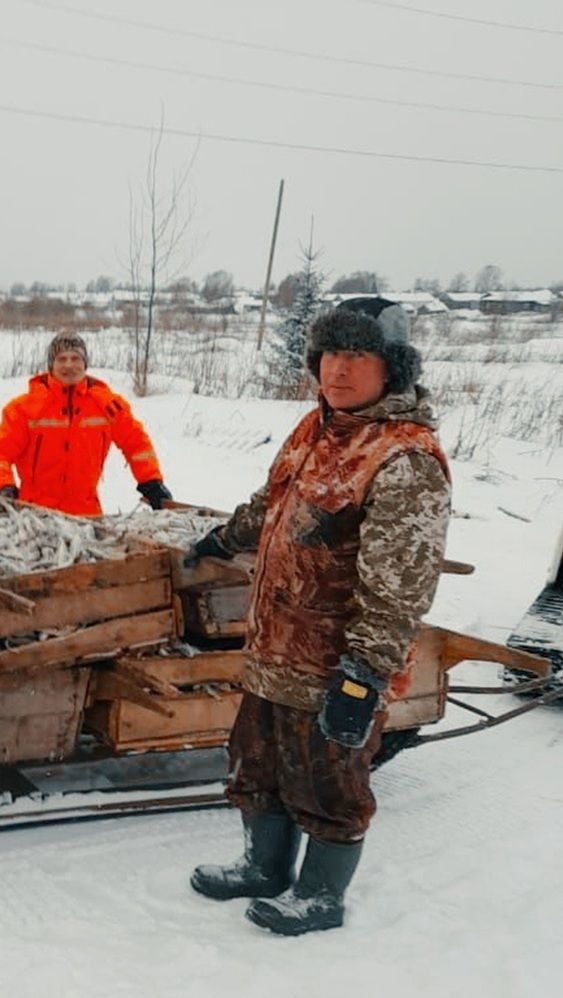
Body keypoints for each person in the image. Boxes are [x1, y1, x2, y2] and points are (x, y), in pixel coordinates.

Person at [185, 297, 451, 936]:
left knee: (330, 783)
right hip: (272, 649)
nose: (339, 368)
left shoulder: (403, 458)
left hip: (334, 663)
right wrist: (225, 537)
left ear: (393, 366)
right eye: (331, 352)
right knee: (257, 764)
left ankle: (320, 897)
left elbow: (398, 588)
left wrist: (362, 675)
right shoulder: (315, 427)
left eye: (358, 354)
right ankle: (264, 869)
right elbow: (273, 501)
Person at [0, 332, 171, 516]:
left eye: (75, 358)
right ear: (51, 365)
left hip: (88, 518)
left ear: (85, 363)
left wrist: (151, 482)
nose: (69, 365)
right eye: (61, 359)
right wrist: (2, 488)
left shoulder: (108, 405)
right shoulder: (24, 408)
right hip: (33, 516)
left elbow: (136, 443)